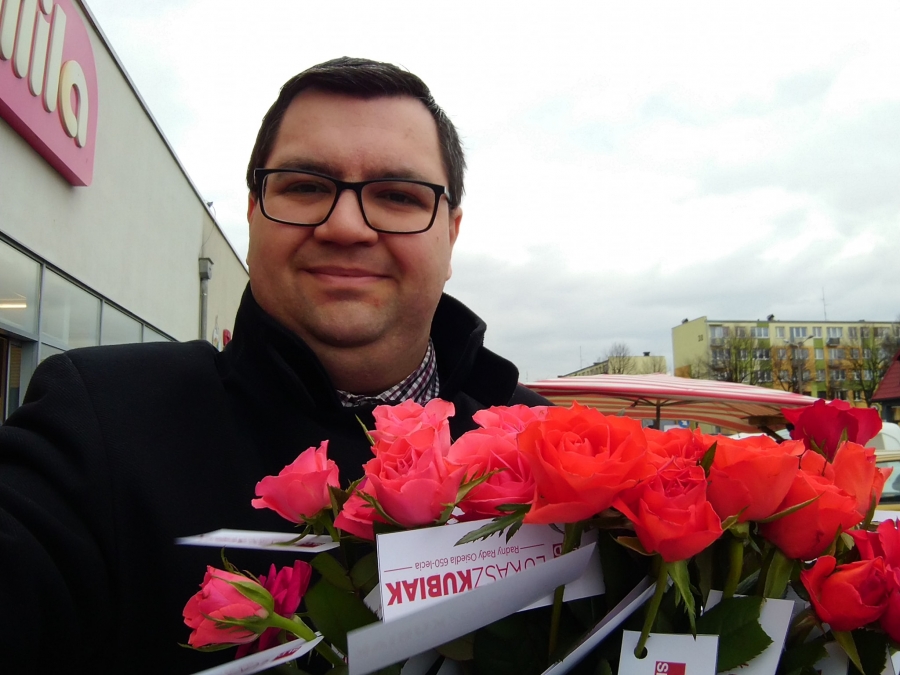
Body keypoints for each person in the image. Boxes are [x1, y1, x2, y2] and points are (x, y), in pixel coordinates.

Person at [0, 57, 548, 674]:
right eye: (305, 187)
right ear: (253, 211)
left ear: (451, 234)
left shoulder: (550, 452)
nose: (346, 227)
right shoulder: (98, 427)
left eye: (398, 196)